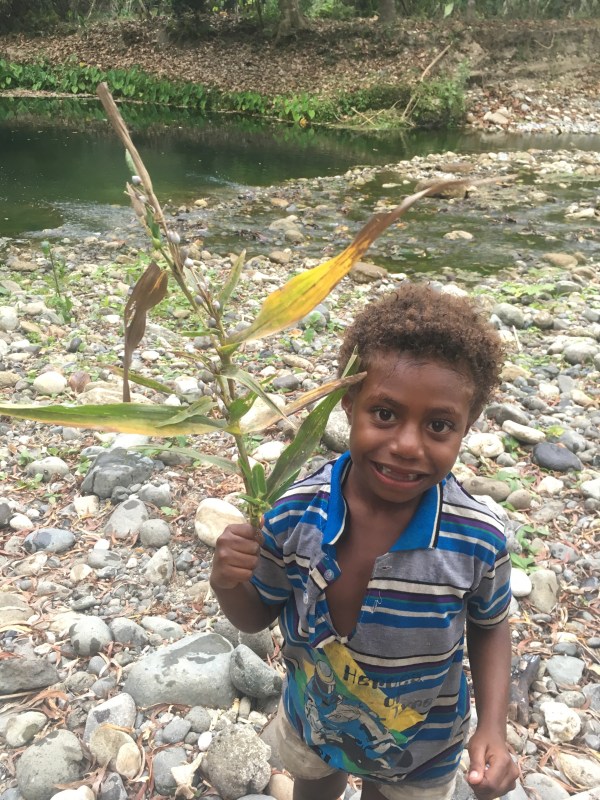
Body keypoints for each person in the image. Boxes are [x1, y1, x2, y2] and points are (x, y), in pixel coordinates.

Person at [210, 283, 519, 800]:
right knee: (315, 786)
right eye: (385, 413)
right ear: (349, 404)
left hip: (421, 744)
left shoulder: (477, 539)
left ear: (467, 428)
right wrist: (226, 582)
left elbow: (490, 627)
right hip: (314, 716)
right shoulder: (293, 513)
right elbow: (253, 617)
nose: (405, 444)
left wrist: (492, 726)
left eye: (439, 425)